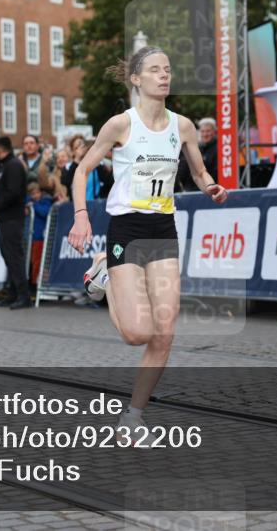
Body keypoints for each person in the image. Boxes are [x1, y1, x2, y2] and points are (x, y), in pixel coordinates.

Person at [67, 45, 228, 446]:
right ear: (136, 80)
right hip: (127, 229)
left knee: (164, 333)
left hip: (163, 229)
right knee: (136, 333)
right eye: (155, 70)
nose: (164, 75)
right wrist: (81, 215)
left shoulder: (183, 126)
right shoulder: (121, 124)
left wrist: (210, 186)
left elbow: (198, 171)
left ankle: (132, 419)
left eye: (167, 69)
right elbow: (82, 170)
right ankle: (104, 275)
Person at [0, 136, 31, 310]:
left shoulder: (13, 165)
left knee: (14, 257)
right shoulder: (7, 165)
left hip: (11, 218)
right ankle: (13, 293)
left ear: (0, 149)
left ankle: (23, 295)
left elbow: (13, 192)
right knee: (8, 256)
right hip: (5, 217)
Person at [176, 117, 218, 192]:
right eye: (203, 131)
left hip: (210, 189)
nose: (205, 134)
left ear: (214, 132)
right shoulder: (195, 148)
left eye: (208, 131)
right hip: (189, 190)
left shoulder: (219, 150)